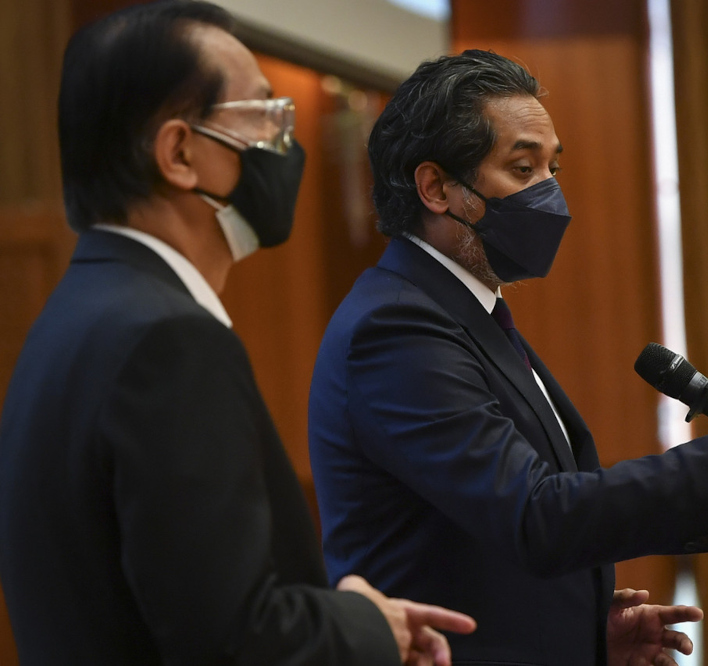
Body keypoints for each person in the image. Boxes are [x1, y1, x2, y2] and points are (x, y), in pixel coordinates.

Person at [307, 50, 708, 666]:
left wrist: (584, 633)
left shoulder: (463, 314)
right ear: (435, 188)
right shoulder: (397, 328)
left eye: (552, 167)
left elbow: (490, 536)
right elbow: (536, 516)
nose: (550, 193)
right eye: (523, 168)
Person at [0, 3, 476, 665]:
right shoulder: (168, 342)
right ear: (179, 153)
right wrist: (368, 628)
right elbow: (231, 638)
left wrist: (348, 615)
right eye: (264, 115)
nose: (285, 140)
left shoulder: (71, 317)